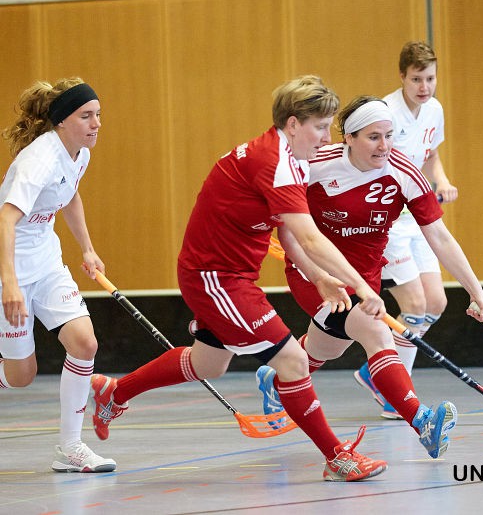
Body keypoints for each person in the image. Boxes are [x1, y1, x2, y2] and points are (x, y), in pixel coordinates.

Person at [90, 76, 389, 482]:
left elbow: (287, 230)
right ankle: (337, 456)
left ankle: (114, 393)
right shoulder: (276, 163)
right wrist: (363, 286)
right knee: (293, 360)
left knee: (208, 363)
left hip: (229, 274)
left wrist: (319, 277)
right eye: (320, 126)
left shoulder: (291, 159)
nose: (326, 136)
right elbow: (309, 236)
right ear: (293, 123)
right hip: (216, 276)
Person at [255, 95, 483, 460]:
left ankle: (277, 380)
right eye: (373, 137)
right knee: (377, 331)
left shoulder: (403, 172)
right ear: (348, 137)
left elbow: (440, 237)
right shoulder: (316, 163)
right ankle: (422, 421)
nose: (385, 146)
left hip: (366, 276)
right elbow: (272, 203)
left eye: (389, 135)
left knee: (327, 348)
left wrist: (477, 294)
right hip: (315, 272)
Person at [0, 78, 116, 472]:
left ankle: (71, 448)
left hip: (47, 262)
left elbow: (70, 194)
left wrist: (87, 247)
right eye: (86, 116)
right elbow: (6, 219)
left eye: (98, 115)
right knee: (21, 376)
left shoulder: (78, 152)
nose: (96, 123)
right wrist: (11, 284)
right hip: (9, 265)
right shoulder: (38, 160)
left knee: (84, 344)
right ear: (62, 121)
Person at [353, 42, 456, 419]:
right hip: (389, 222)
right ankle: (393, 391)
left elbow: (431, 154)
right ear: (402, 77)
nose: (424, 86)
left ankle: (375, 374)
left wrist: (441, 181)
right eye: (416, 79)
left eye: (430, 78)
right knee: (414, 304)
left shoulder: (434, 109)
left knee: (437, 304)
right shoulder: (384, 113)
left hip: (416, 218)